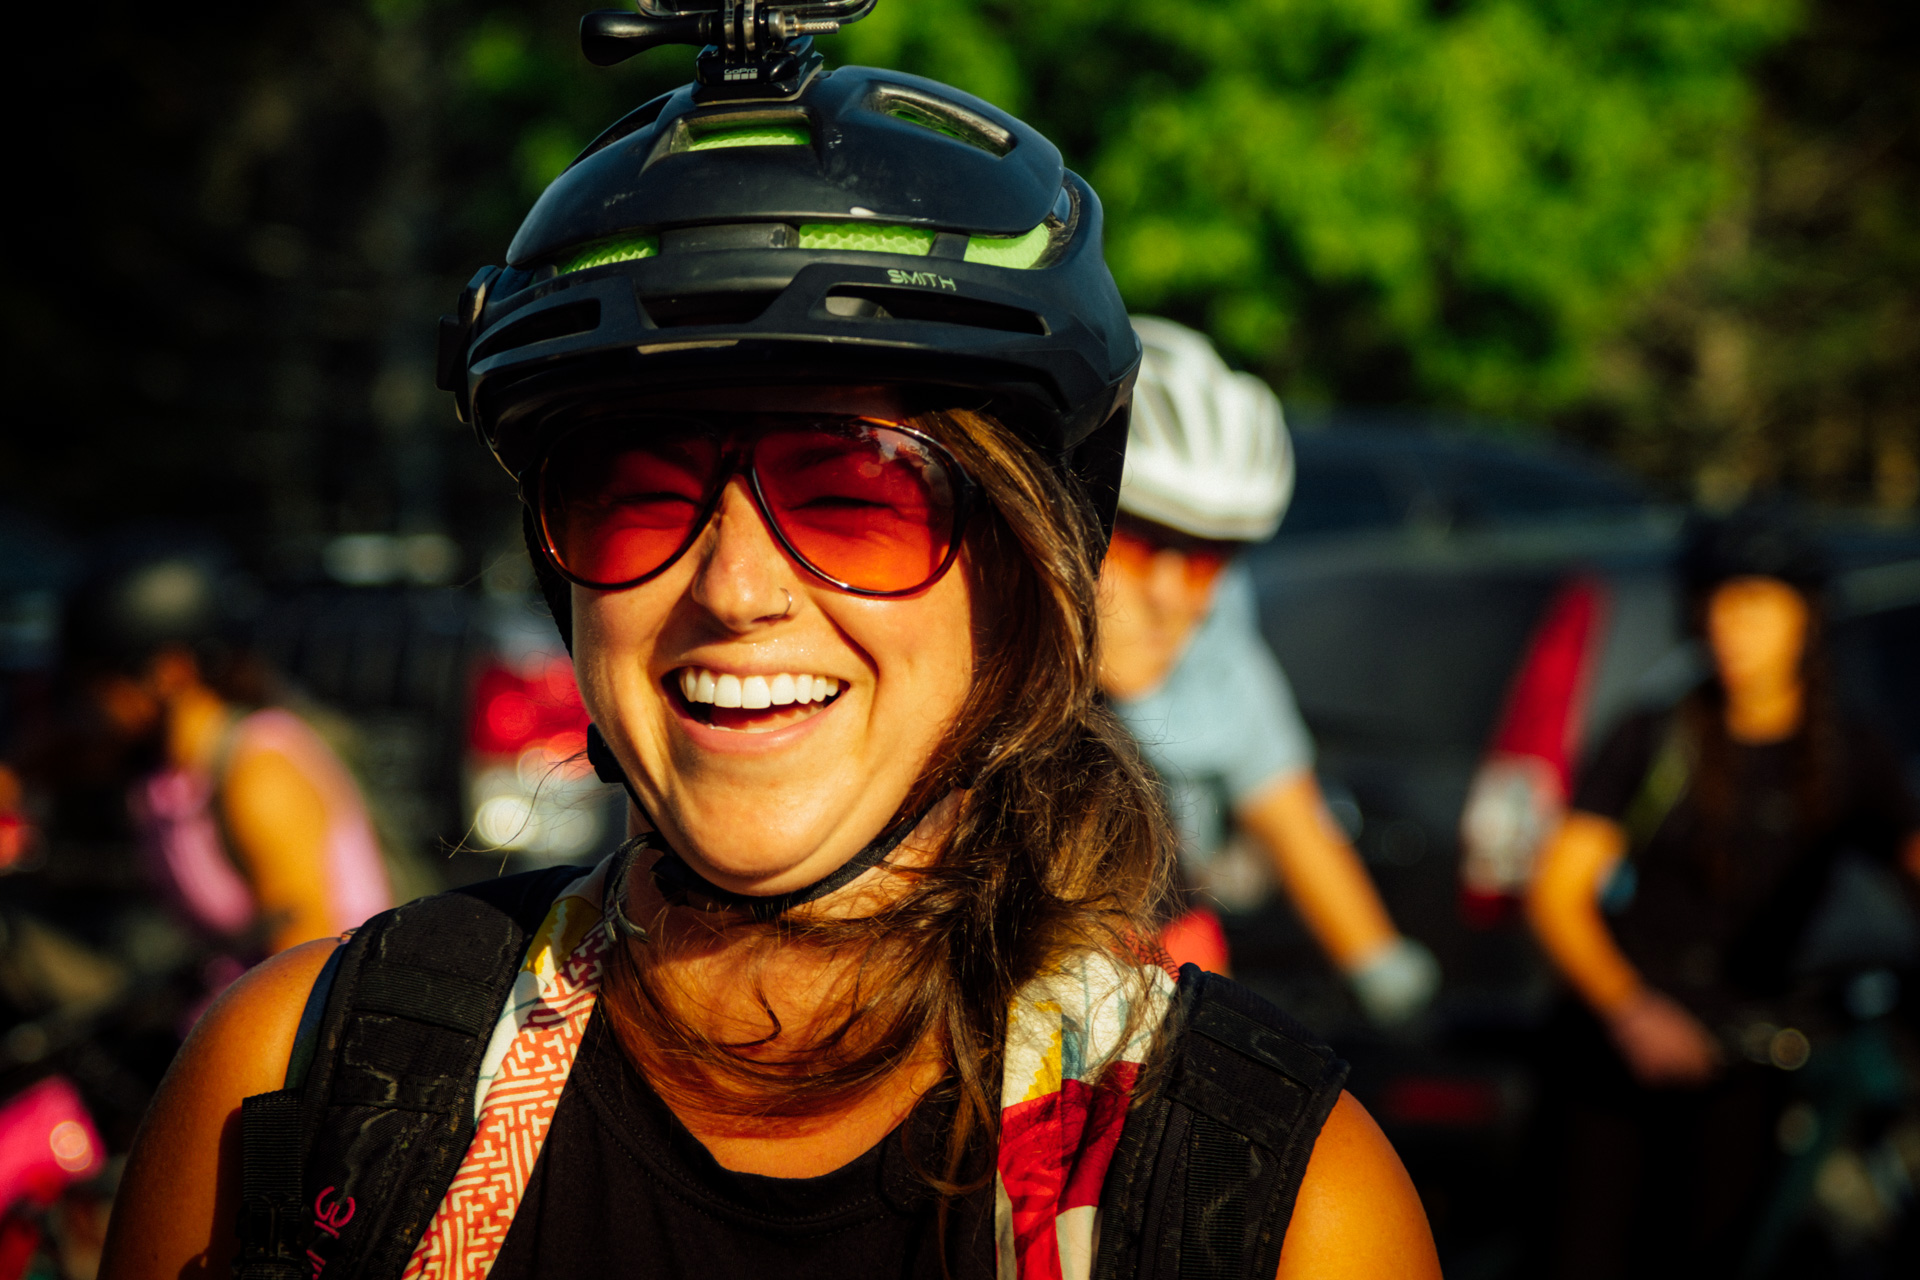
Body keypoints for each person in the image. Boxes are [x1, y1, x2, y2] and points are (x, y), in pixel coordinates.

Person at [99, 16, 1438, 1280]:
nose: (734, 587)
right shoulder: (302, 1096)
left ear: (1027, 577)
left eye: (853, 490)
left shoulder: (1271, 1201)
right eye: (633, 489)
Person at [1526, 504, 1920, 1277]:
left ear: (1805, 617)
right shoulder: (1655, 733)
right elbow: (1559, 891)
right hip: (1619, 1052)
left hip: (1746, 1064)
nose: (1733, 626)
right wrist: (1631, 1010)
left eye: (1758, 603)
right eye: (1719, 601)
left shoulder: (1847, 752)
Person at [1099, 316, 1439, 1026]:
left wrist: (1384, 971)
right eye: (1137, 541)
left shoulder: (1217, 641)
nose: (1169, 593)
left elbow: (1288, 808)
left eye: (1204, 558)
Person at [59, 545, 392, 957]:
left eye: (98, 683)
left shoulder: (259, 767)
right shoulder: (164, 774)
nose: (87, 706)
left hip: (311, 1009)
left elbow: (306, 951)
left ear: (169, 670)